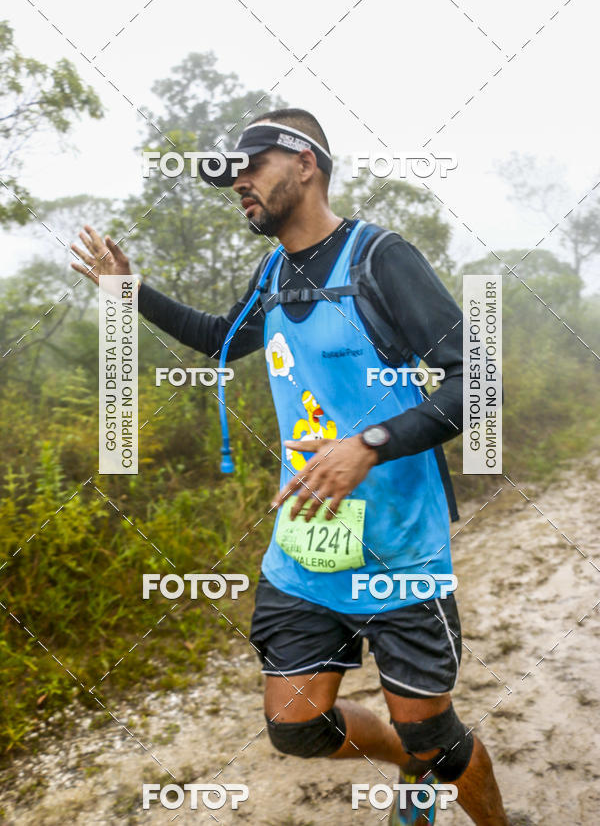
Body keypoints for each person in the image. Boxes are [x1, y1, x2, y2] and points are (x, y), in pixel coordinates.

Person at [71, 108, 509, 825]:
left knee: (435, 731)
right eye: (231, 176)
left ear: (306, 163)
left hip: (400, 548)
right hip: (307, 547)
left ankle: (438, 766)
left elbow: (477, 381)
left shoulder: (379, 258)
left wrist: (368, 443)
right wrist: (130, 292)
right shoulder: (273, 272)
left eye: (251, 166)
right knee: (298, 728)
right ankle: (410, 767)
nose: (239, 183)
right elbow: (219, 338)